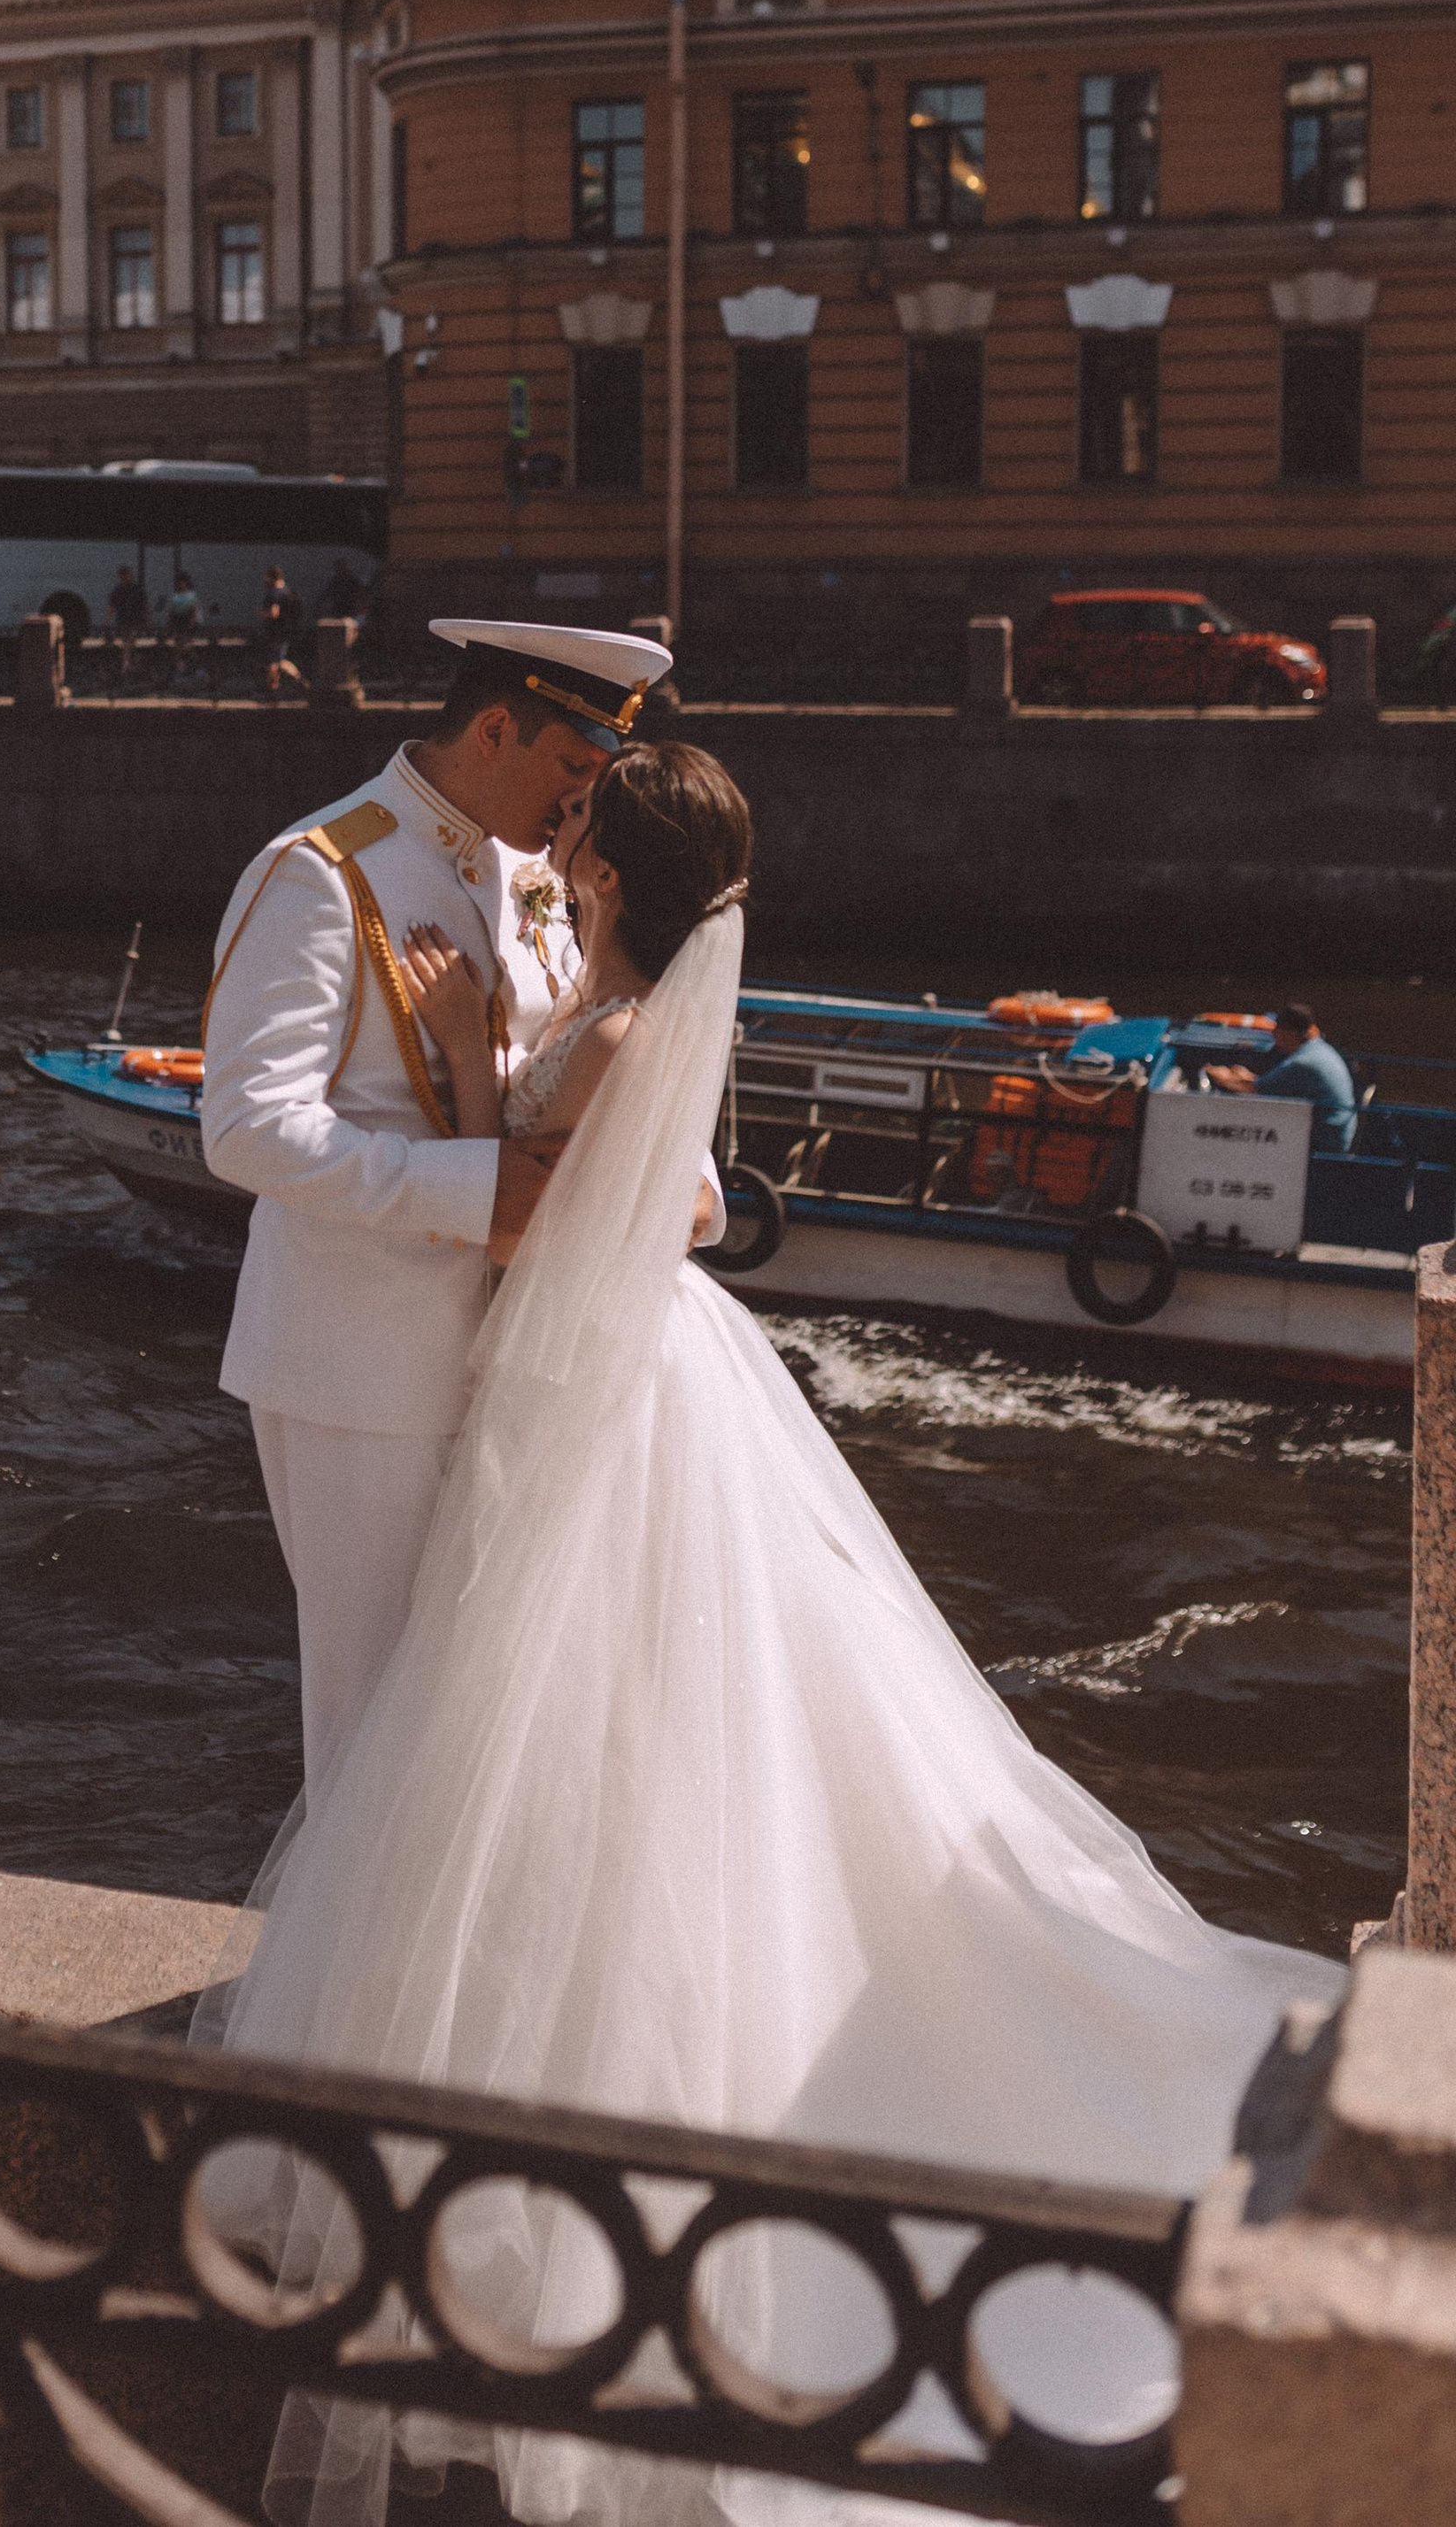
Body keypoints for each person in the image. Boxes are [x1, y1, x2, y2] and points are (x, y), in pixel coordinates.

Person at [203, 741, 1344, 2527]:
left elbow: (579, 1213)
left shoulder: (613, 1026)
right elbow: (691, 1202)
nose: (551, 833)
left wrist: (487, 1093)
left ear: (603, 867)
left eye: (577, 825)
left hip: (584, 1380)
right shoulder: (654, 1008)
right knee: (627, 1715)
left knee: (560, 1715)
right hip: (655, 1365)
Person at [199, 618, 683, 1801]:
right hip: (362, 1364)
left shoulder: (540, 875)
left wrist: (667, 1183)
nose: (583, 797)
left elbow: (586, 1055)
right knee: (375, 1721)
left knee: (501, 1721)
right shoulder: (323, 872)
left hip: (525, 1365)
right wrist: (474, 1193)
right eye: (572, 765)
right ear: (496, 728)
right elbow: (247, 1126)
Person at [1206, 1001, 1358, 1152]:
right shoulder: (1317, 1048)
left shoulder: (1302, 1062)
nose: (1273, 1034)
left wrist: (1222, 1077)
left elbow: (1254, 1090)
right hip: (1336, 1131)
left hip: (1326, 1141)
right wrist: (1246, 1076)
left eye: (1277, 1029)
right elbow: (1271, 1084)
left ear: (1291, 1033)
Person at [258, 561, 305, 702]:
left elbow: (274, 613)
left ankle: (273, 691)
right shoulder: (289, 592)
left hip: (275, 633)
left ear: (271, 577)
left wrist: (262, 614)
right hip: (287, 632)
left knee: (273, 663)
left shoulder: (274, 594)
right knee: (279, 661)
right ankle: (299, 681)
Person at [106, 563, 151, 685]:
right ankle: (130, 667)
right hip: (124, 622)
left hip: (135, 621)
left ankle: (127, 667)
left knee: (129, 643)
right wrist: (107, 622)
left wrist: (148, 620)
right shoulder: (118, 591)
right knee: (128, 643)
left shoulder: (136, 590)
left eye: (127, 575)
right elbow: (111, 608)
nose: (126, 577)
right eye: (124, 575)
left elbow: (145, 606)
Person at [163, 568, 203, 685]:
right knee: (178, 649)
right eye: (179, 582)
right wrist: (170, 626)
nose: (180, 584)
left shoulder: (191, 595)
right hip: (178, 625)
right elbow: (171, 613)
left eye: (182, 582)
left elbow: (194, 611)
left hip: (188, 624)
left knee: (185, 647)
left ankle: (196, 669)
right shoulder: (175, 597)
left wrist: (191, 625)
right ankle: (180, 671)